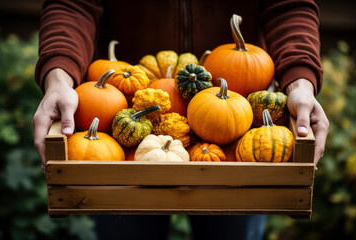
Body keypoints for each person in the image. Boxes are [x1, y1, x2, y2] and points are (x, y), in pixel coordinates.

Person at [32, 0, 329, 239]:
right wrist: (59, 78)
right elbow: (71, 4)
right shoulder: (129, 108)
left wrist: (299, 82)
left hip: (240, 136)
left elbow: (290, 5)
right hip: (124, 129)